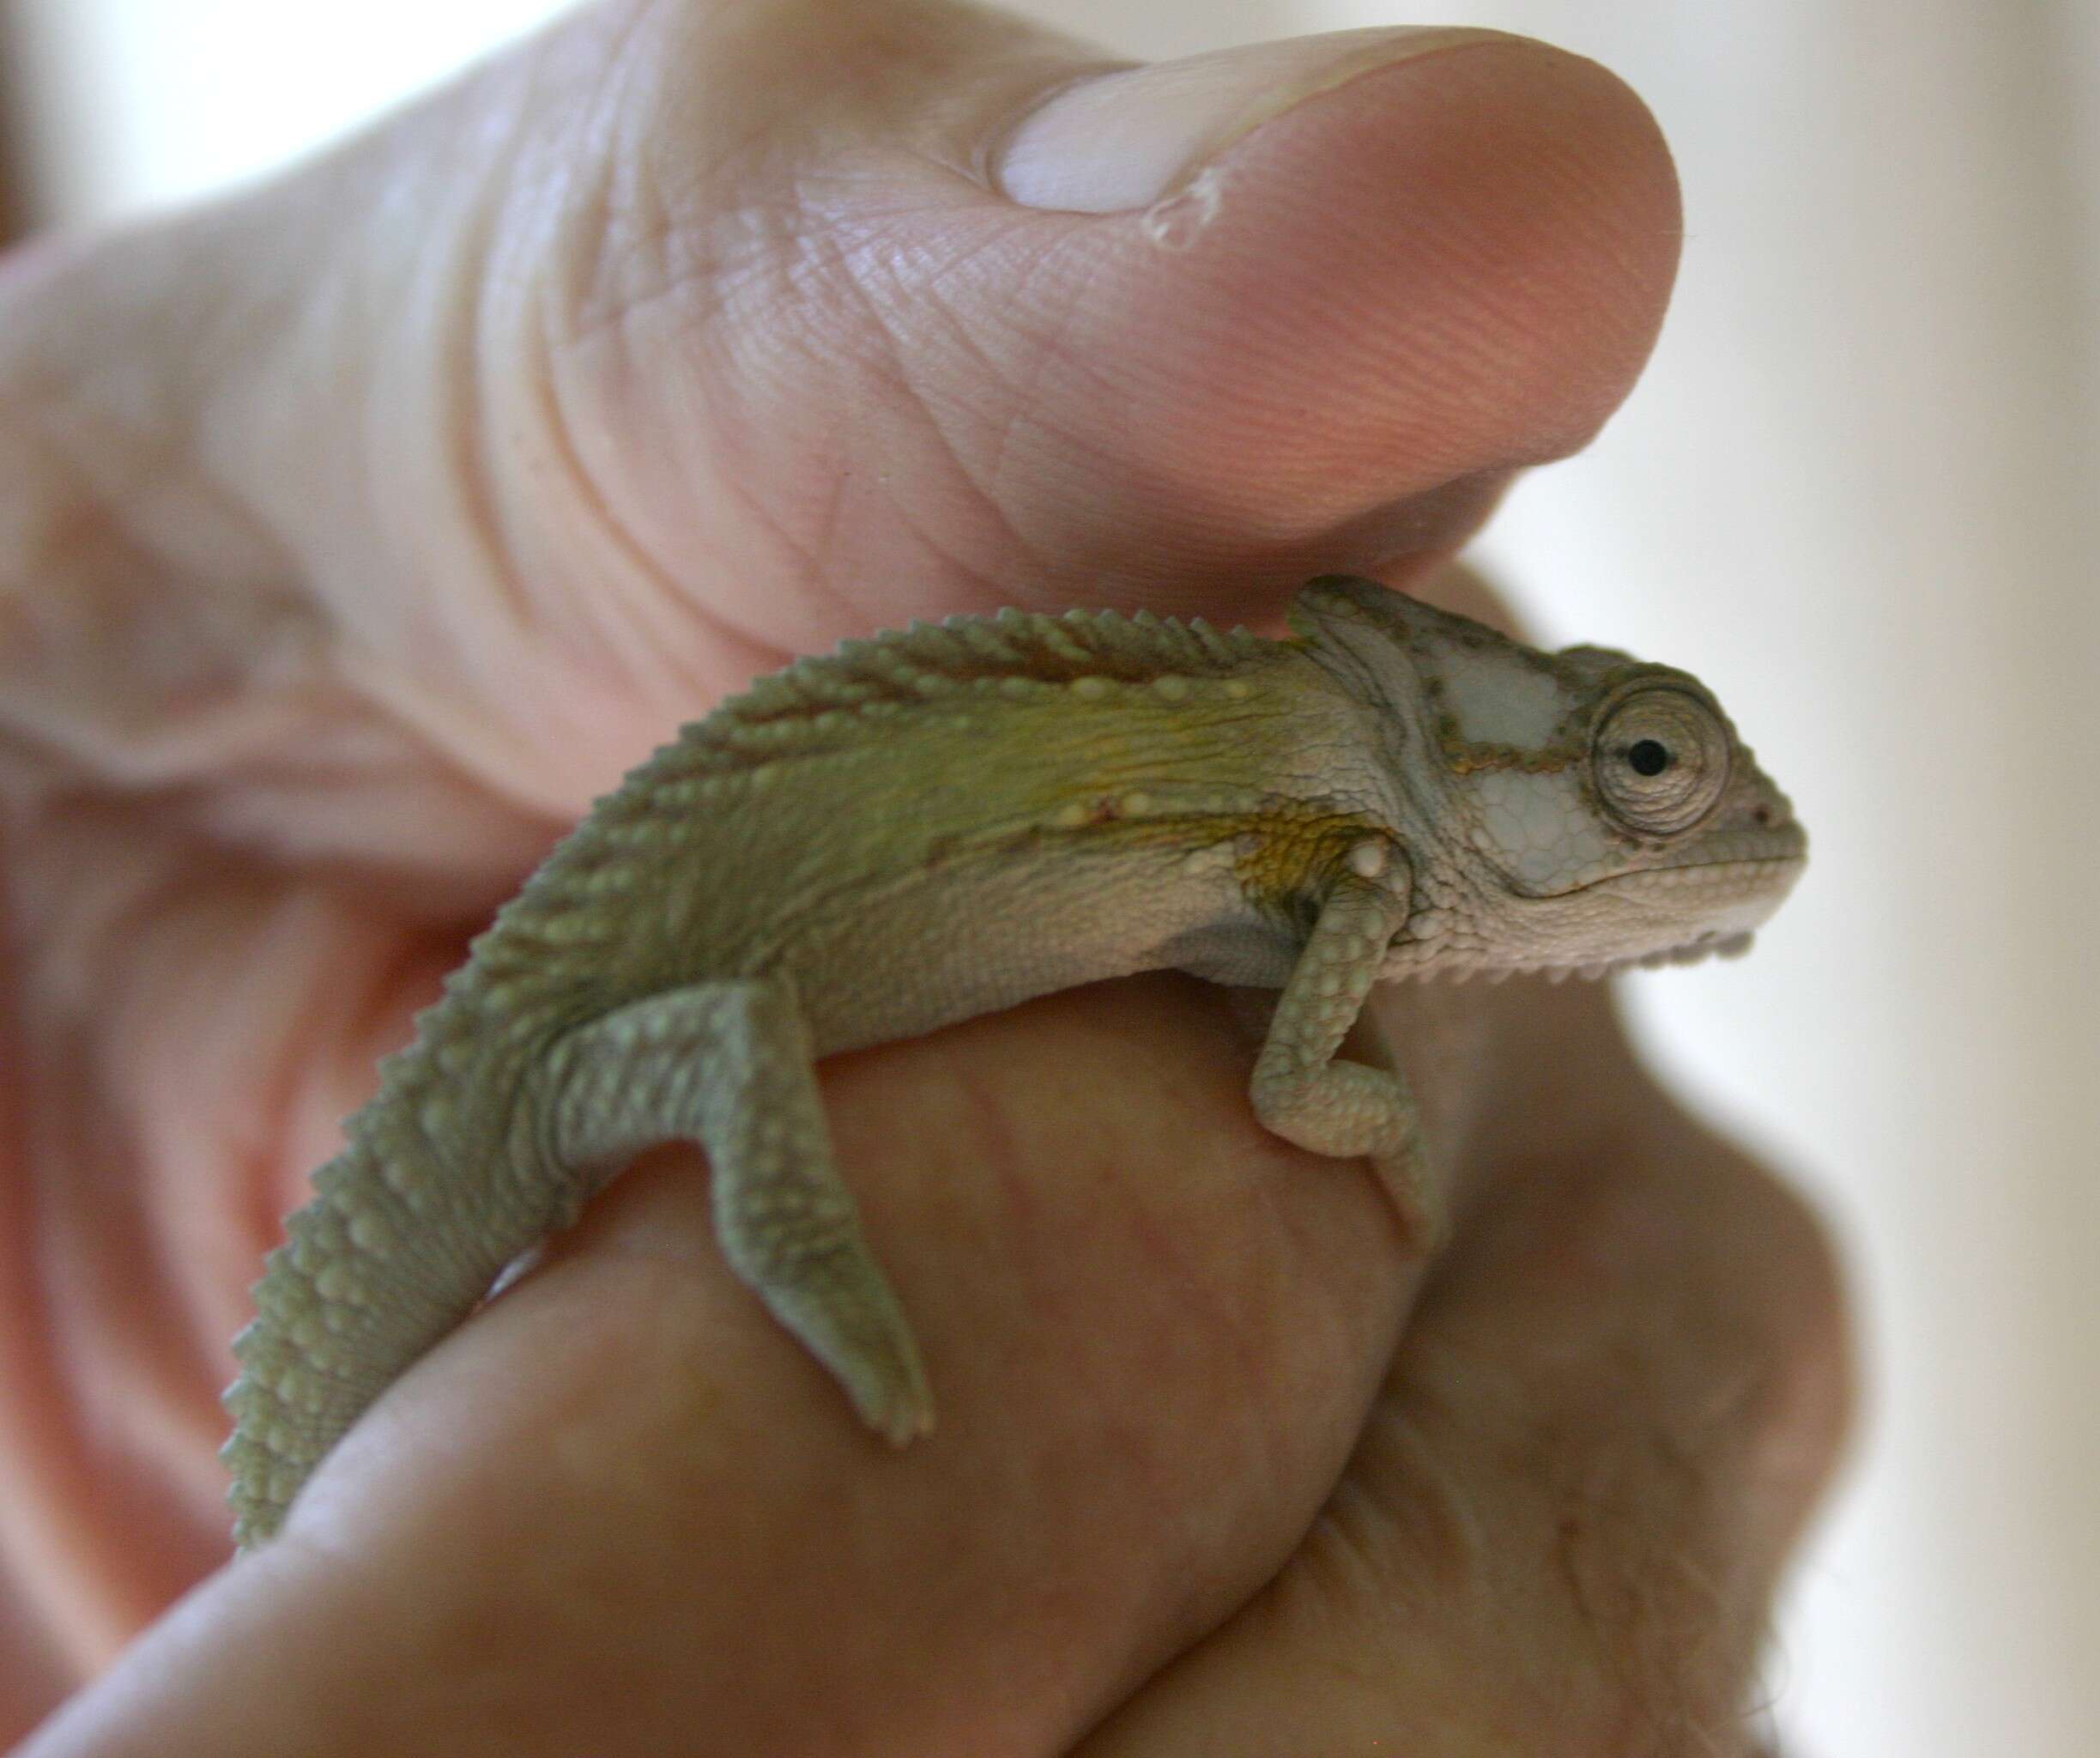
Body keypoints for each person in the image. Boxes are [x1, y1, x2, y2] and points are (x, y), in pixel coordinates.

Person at [0, 4, 1848, 1749]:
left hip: (566, 1024)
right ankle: (781, 1242)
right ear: (1487, 762)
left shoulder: (1337, 785)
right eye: (1648, 775)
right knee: (718, 1059)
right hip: (601, 1025)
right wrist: (1370, 1125)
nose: (1695, 825)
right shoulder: (1355, 833)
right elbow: (1298, 1085)